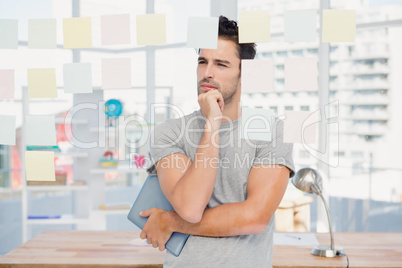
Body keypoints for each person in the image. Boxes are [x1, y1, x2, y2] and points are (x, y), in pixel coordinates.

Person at [141, 15, 295, 268]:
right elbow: (190, 207)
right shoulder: (168, 132)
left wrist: (169, 221)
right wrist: (212, 122)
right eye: (203, 62)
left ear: (244, 75)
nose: (207, 73)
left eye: (221, 64)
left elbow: (255, 218)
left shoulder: (272, 130)